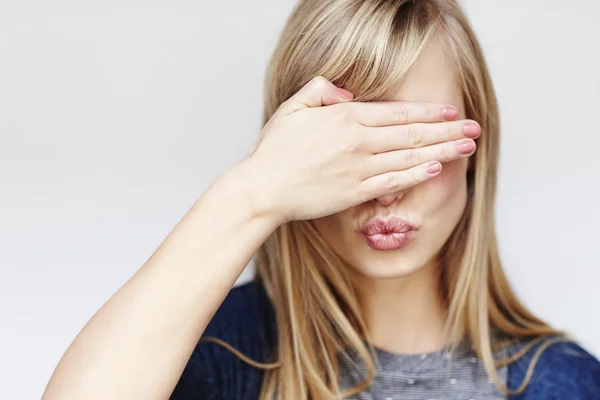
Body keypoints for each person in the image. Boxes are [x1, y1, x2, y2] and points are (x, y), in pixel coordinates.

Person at [42, 0, 600, 399]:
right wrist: (252, 193)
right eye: (351, 147)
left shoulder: (565, 383)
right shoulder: (216, 357)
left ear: (476, 149)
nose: (388, 186)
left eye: (411, 142)